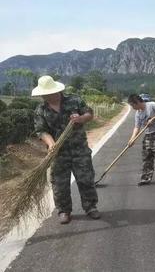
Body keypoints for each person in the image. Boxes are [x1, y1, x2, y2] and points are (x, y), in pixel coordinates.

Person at [32, 75, 100, 224]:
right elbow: (41, 131)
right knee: (59, 183)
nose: (46, 96)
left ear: (56, 91)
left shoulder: (74, 100)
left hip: (79, 149)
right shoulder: (40, 110)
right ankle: (64, 210)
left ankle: (90, 207)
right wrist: (51, 143)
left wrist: (81, 119)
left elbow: (89, 114)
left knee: (85, 179)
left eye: (49, 93)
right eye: (44, 94)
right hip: (58, 153)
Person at [128, 94, 155, 186]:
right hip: (147, 137)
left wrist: (153, 119)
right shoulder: (138, 113)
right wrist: (132, 139)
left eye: (132, 105)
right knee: (146, 159)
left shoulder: (151, 105)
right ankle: (146, 179)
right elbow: (137, 127)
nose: (132, 107)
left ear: (137, 102)